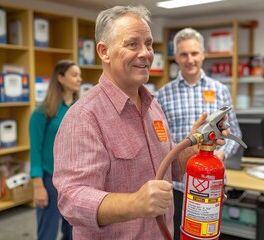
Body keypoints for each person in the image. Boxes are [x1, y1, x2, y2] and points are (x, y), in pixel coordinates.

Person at [52, 5, 228, 240]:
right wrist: (135, 203)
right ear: (104, 52)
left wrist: (188, 154)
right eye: (132, 44)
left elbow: (168, 170)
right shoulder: (84, 117)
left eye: (148, 43)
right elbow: (71, 200)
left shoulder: (153, 106)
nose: (145, 53)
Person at [155, 27, 242, 240]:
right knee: (177, 235)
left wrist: (221, 155)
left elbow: (235, 133)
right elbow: (161, 139)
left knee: (208, 235)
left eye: (194, 53)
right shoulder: (163, 94)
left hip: (211, 182)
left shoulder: (220, 90)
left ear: (203, 54)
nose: (190, 59)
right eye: (184, 54)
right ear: (176, 57)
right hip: (177, 184)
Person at [29, 59, 82, 240]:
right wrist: (38, 186)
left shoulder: (80, 109)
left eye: (80, 75)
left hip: (74, 179)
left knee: (73, 232)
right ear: (60, 78)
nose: (79, 79)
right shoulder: (42, 112)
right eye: (74, 75)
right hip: (49, 180)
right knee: (47, 233)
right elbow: (35, 151)